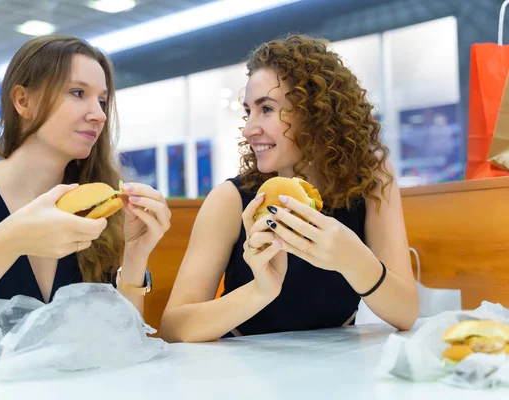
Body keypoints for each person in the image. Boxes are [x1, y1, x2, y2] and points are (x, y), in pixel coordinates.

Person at [0, 35, 171, 367]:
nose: (99, 115)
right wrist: (8, 241)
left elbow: (122, 349)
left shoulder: (96, 205)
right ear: (23, 101)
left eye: (103, 101)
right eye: (78, 93)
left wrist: (135, 256)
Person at [160, 35, 418, 342]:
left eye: (266, 109)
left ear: (316, 112)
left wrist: (354, 260)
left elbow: (406, 312)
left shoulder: (371, 179)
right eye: (248, 111)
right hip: (242, 374)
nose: (248, 128)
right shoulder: (231, 199)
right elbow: (174, 328)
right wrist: (260, 290)